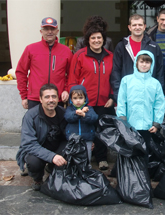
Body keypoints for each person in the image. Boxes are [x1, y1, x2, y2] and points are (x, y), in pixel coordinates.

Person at [68, 16, 115, 170]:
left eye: (99, 38)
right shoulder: (80, 55)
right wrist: (73, 100)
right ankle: (82, 156)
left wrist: (112, 97)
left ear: (104, 39)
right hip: (84, 101)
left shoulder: (110, 56)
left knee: (101, 130)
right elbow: (73, 78)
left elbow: (114, 78)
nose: (96, 40)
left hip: (104, 101)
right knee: (86, 128)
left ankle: (101, 158)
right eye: (93, 38)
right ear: (88, 40)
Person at [16, 84, 68, 191]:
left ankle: (52, 168)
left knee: (70, 151)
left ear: (58, 98)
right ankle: (37, 179)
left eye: (54, 96)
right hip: (38, 148)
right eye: (47, 97)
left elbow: (71, 133)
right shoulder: (30, 116)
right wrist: (52, 156)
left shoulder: (64, 113)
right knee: (33, 162)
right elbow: (28, 144)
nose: (51, 100)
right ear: (40, 99)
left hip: (56, 146)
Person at [16, 17, 73, 109]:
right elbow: (21, 72)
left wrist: (66, 90)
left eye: (52, 29)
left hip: (56, 98)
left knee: (56, 123)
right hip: (35, 98)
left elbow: (72, 74)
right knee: (35, 123)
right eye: (46, 29)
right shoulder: (30, 49)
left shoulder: (66, 51)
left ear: (57, 31)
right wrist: (24, 96)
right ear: (41, 31)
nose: (49, 32)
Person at [116, 50, 165, 156]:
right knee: (129, 152)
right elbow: (121, 101)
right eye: (142, 62)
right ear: (136, 63)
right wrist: (122, 119)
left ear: (151, 65)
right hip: (129, 124)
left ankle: (143, 172)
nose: (144, 65)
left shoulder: (155, 83)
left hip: (147, 126)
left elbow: (159, 104)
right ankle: (127, 173)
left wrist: (156, 123)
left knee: (144, 152)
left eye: (147, 62)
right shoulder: (126, 80)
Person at [111, 14, 165, 102]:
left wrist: (160, 94)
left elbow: (159, 72)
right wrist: (118, 95)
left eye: (140, 25)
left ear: (144, 27)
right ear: (129, 27)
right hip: (128, 93)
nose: (137, 27)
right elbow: (116, 71)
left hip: (149, 94)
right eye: (134, 25)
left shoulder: (154, 47)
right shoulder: (122, 46)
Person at [64, 85, 98, 166]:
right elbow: (68, 117)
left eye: (80, 98)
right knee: (73, 157)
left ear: (85, 98)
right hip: (73, 139)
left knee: (87, 157)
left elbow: (94, 118)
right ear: (71, 99)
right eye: (75, 98)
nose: (78, 101)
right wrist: (78, 113)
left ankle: (87, 171)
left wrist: (84, 115)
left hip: (87, 139)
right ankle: (75, 172)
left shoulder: (89, 108)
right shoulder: (70, 109)